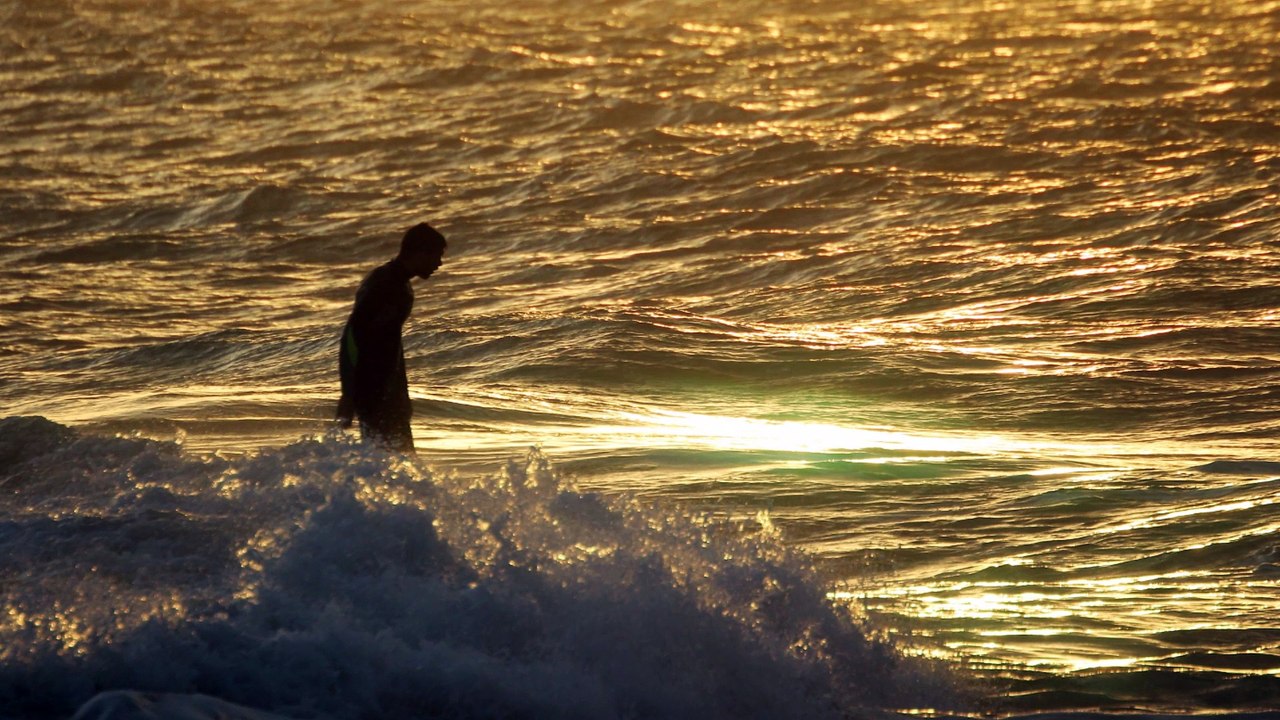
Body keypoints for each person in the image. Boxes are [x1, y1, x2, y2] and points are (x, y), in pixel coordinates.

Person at [336, 223, 446, 452]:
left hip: (387, 395)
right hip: (374, 395)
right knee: (397, 463)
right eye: (437, 256)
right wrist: (348, 395)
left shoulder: (397, 283)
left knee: (391, 465)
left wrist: (400, 396)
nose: (439, 264)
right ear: (419, 253)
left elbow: (388, 344)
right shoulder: (385, 285)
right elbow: (353, 336)